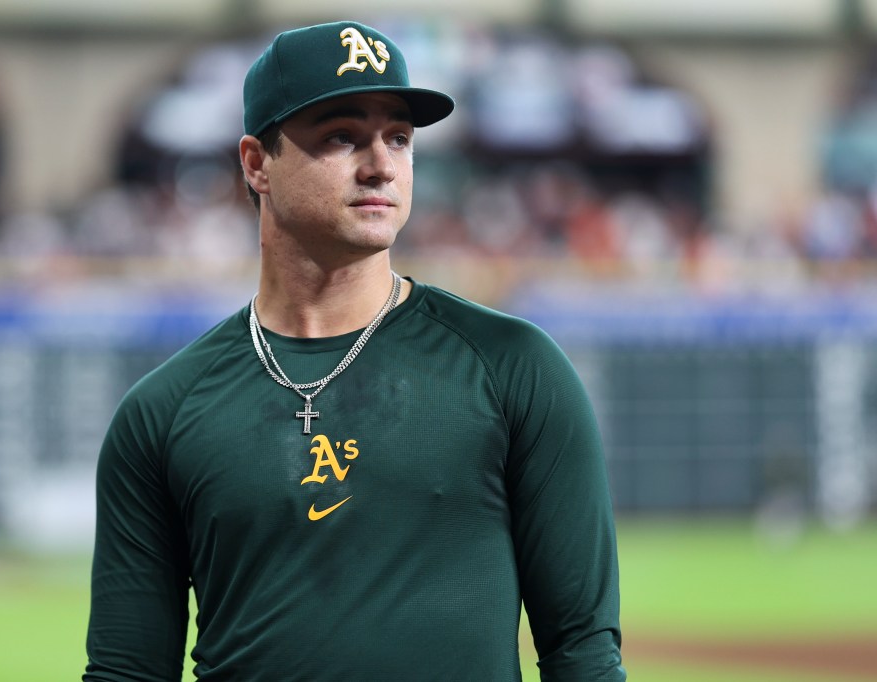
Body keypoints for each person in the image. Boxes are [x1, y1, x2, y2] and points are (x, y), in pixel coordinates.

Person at [84, 20, 625, 682]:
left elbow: (584, 651)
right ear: (257, 163)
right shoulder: (162, 413)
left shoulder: (514, 367)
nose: (381, 164)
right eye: (342, 136)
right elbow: (127, 671)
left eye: (398, 137)